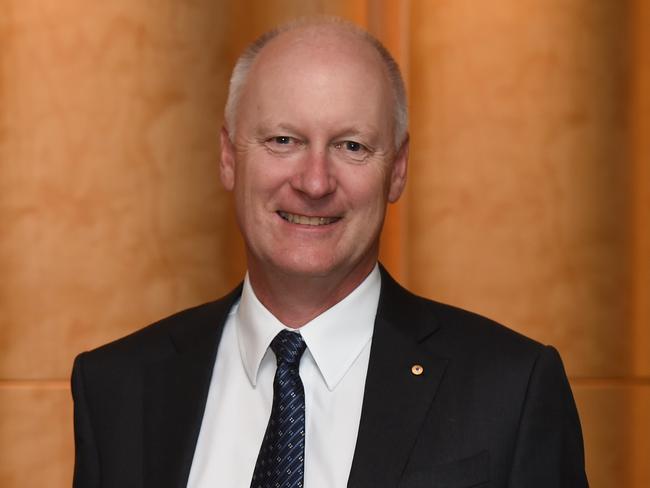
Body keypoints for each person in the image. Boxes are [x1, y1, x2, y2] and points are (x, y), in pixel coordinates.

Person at [71, 18, 589, 488]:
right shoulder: (118, 389)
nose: (315, 182)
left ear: (399, 169)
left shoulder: (510, 391)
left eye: (351, 146)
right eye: (282, 139)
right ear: (229, 157)